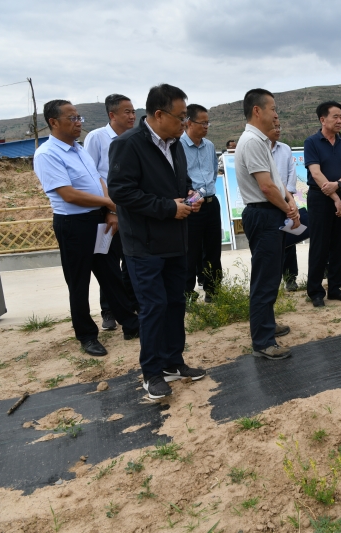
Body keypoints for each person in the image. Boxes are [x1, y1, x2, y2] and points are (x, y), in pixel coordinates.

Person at [108, 84, 206, 399]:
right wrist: (168, 208)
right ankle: (151, 373)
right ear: (159, 114)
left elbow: (182, 181)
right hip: (145, 244)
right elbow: (121, 192)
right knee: (153, 307)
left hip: (176, 239)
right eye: (181, 117)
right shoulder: (128, 145)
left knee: (176, 302)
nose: (184, 123)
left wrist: (190, 195)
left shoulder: (175, 145)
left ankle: (173, 362)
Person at [34, 99, 140, 357]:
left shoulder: (79, 149)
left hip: (98, 219)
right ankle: (87, 335)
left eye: (79, 117)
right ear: (53, 122)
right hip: (74, 225)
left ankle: (130, 323)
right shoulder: (47, 154)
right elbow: (68, 194)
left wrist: (110, 210)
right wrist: (109, 203)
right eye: (72, 118)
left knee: (110, 274)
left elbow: (98, 180)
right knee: (79, 282)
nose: (78, 122)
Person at [235, 88, 299, 360]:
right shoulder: (251, 141)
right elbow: (265, 187)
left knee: (271, 275)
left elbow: (275, 181)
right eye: (272, 108)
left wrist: (289, 200)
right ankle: (262, 341)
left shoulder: (261, 141)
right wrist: (288, 209)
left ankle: (268, 325)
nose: (275, 114)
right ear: (257, 110)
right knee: (264, 279)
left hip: (271, 212)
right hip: (263, 214)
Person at [83, 93, 138, 329]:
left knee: (132, 260)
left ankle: (131, 307)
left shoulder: (135, 138)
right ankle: (108, 311)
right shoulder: (97, 138)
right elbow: (92, 175)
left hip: (132, 209)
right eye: (127, 112)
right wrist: (109, 209)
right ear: (112, 114)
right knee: (108, 263)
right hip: (108, 212)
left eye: (133, 111)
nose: (132, 116)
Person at [304, 101, 341, 307]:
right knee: (320, 244)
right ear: (322, 119)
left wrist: (338, 185)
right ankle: (315, 291)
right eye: (335, 117)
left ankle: (335, 287)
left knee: (340, 243)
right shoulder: (312, 142)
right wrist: (335, 197)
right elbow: (316, 173)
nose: (340, 120)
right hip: (320, 197)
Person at [181, 104, 223, 302]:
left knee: (213, 250)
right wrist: (191, 198)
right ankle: (187, 294)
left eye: (208, 123)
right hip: (190, 204)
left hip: (211, 202)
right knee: (190, 251)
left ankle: (213, 291)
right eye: (202, 123)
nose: (206, 126)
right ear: (189, 123)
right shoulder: (178, 146)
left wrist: (206, 193)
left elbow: (213, 172)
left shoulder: (210, 146)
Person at [270, 122, 299, 291]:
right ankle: (272, 281)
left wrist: (290, 197)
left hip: (286, 200)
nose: (277, 130)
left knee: (289, 241)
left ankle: (290, 278)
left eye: (279, 127)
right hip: (266, 201)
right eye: (274, 127)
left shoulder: (285, 148)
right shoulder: (259, 148)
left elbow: (291, 173)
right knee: (269, 242)